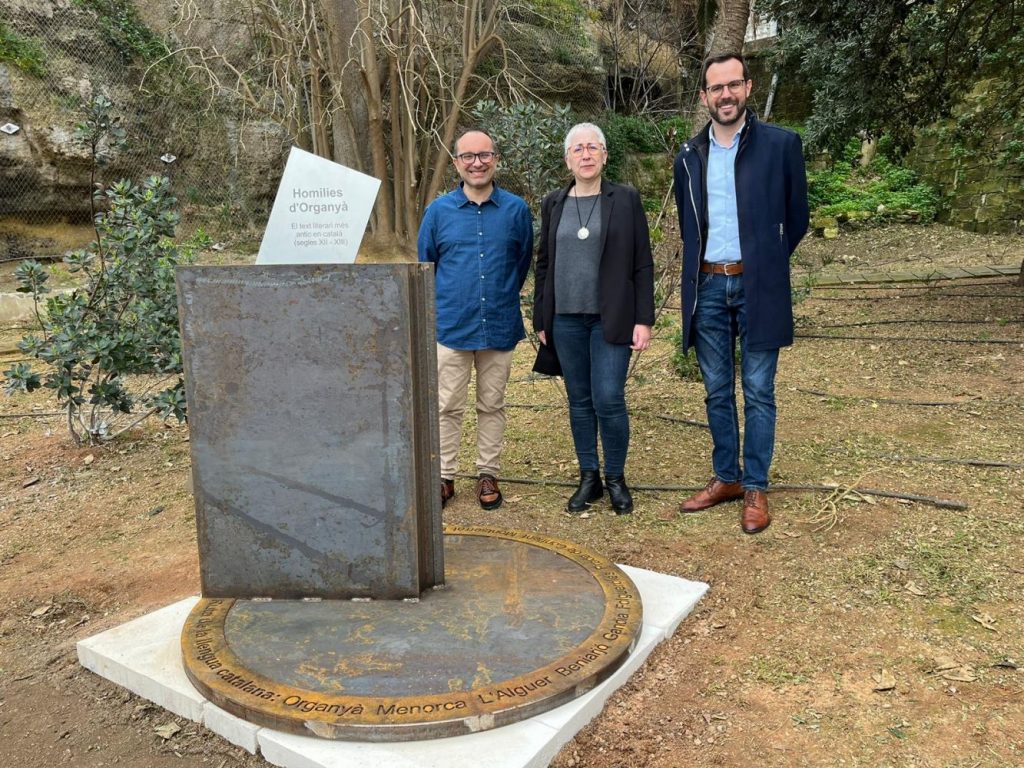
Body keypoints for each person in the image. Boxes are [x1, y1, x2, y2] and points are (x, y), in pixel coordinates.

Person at [673, 52, 809, 534]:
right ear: (704, 96)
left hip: (759, 285)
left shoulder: (780, 146)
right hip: (708, 284)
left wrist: (765, 260)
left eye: (733, 85)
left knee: (758, 390)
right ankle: (726, 477)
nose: (725, 94)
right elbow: (690, 227)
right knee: (715, 389)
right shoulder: (689, 158)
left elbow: (797, 219)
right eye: (716, 87)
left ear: (748, 88)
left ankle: (755, 485)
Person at [533, 122, 655, 515]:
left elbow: (642, 262)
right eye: (577, 149)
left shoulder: (625, 199)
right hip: (565, 319)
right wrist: (542, 317)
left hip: (611, 318)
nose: (585, 155)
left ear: (604, 155)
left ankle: (616, 478)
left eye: (593, 148)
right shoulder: (554, 202)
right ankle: (590, 477)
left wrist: (644, 318)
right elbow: (544, 263)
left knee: (609, 398)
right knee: (579, 400)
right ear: (567, 159)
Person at [418, 130, 533, 511]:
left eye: (484, 155)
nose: (477, 162)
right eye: (468, 156)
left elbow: (521, 263)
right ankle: (444, 476)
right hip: (452, 324)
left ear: (495, 159)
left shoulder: (516, 210)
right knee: (447, 405)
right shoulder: (438, 212)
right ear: (457, 163)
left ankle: (488, 473)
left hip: (498, 323)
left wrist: (500, 294)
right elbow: (426, 265)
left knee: (492, 404)